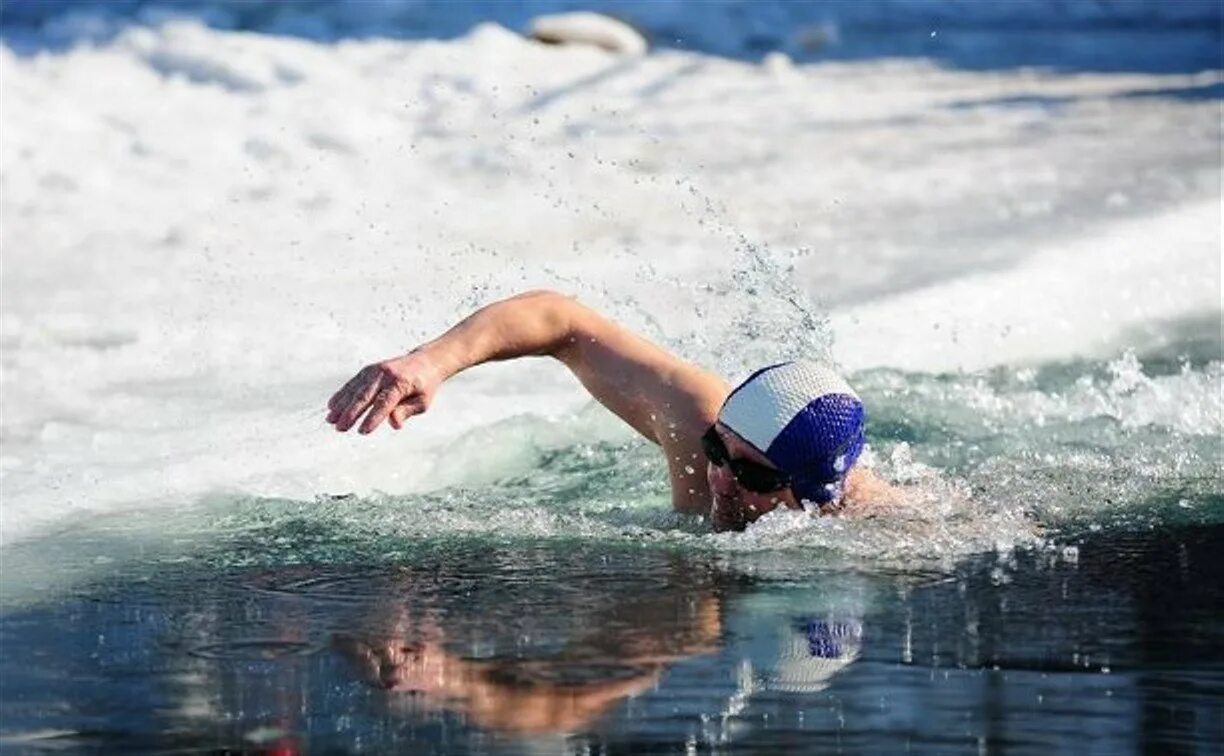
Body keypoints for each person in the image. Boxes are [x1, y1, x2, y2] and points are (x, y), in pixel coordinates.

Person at [326, 290, 898, 530]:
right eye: (718, 450)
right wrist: (431, 361)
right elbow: (564, 322)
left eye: (749, 473)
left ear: (812, 494)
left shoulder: (877, 530)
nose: (718, 478)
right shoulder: (697, 414)